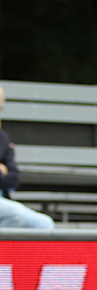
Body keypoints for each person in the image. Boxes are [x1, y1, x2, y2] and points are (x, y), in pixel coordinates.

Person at [0, 86, 56, 229]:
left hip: (3, 200)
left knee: (44, 224)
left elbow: (14, 179)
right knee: (15, 214)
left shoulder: (2, 137)